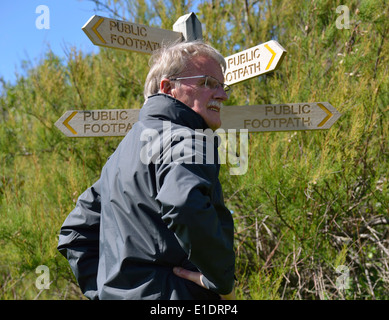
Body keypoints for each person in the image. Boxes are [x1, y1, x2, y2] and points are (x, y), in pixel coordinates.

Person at [58, 40, 236, 300]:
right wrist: (221, 278)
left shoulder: (119, 156)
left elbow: (74, 232)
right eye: (208, 83)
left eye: (223, 86)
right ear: (168, 87)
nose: (223, 95)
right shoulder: (188, 139)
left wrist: (109, 293)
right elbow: (184, 203)